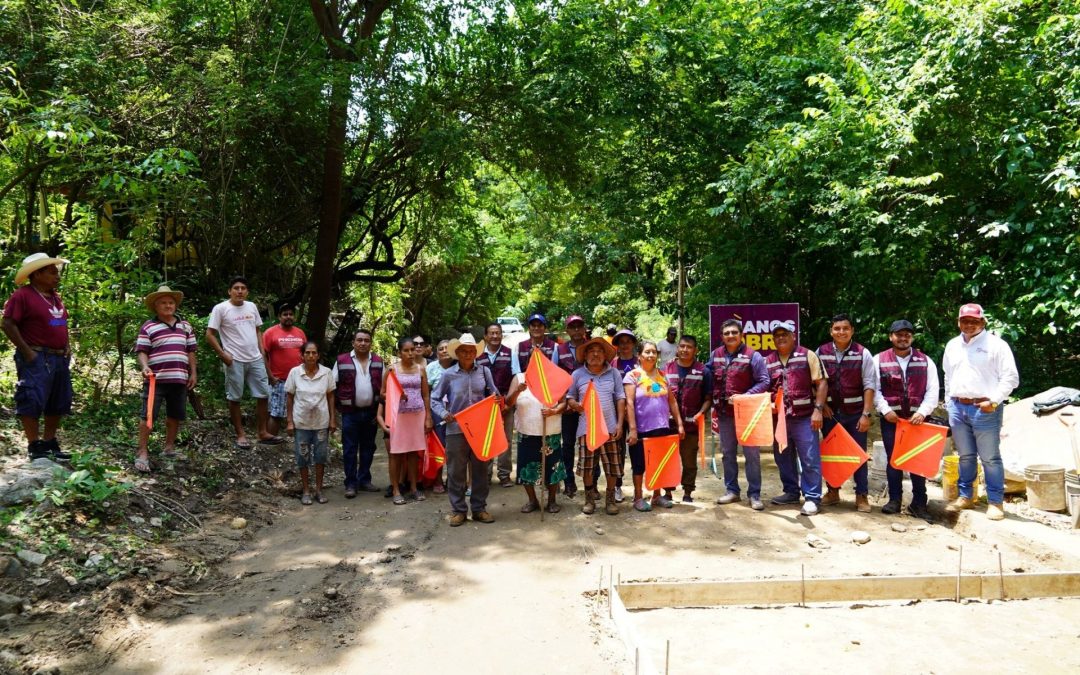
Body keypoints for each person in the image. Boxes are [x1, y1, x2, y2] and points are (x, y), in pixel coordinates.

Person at [942, 303, 1019, 521]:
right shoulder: (952, 345)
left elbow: (1011, 378)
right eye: (965, 320)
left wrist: (993, 401)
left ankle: (995, 502)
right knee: (965, 456)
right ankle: (966, 496)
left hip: (985, 407)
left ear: (983, 322)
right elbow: (948, 375)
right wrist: (949, 401)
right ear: (958, 322)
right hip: (957, 406)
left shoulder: (997, 345)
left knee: (990, 457)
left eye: (974, 321)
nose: (969, 324)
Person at [2, 253, 74, 461]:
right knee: (31, 397)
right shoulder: (23, 295)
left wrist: (67, 345)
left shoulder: (55, 297)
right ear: (36, 274)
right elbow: (7, 323)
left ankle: (50, 442)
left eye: (57, 272)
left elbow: (61, 324)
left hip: (59, 358)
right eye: (52, 272)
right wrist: (27, 352)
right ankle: (34, 445)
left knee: (58, 399)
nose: (57, 276)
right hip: (36, 356)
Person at [430, 333, 501, 526]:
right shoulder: (448, 374)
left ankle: (479, 508)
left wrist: (496, 399)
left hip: (480, 429)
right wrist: (444, 414)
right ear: (458, 353)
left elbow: (494, 393)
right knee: (455, 471)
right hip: (455, 429)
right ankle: (458, 510)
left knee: (480, 470)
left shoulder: (484, 372)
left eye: (472, 351)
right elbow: (434, 398)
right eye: (464, 351)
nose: (468, 354)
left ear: (476, 353)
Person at [874, 320, 940, 520]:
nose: (903, 338)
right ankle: (894, 500)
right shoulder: (879, 360)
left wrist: (922, 412)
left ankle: (919, 503)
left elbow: (933, 390)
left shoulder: (925, 361)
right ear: (891, 336)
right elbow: (874, 389)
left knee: (917, 461)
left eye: (907, 335)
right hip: (892, 420)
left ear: (911, 337)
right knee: (894, 459)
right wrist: (885, 411)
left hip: (917, 421)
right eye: (899, 334)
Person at [206, 277, 280, 448]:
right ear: (229, 291)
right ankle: (240, 434)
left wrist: (261, 351)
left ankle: (262, 432)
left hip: (255, 358)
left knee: (263, 395)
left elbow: (257, 330)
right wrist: (223, 354)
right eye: (236, 288)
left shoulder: (251, 306)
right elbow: (209, 334)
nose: (240, 291)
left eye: (243, 288)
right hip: (235, 360)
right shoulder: (221, 309)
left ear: (247, 291)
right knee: (235, 398)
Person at [134, 286, 198, 472]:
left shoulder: (185, 326)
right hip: (156, 380)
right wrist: (145, 366)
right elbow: (142, 351)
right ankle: (142, 451)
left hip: (179, 378)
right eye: (163, 302)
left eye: (171, 302)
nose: (168, 305)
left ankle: (169, 448)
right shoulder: (148, 326)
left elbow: (191, 351)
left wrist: (193, 373)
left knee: (174, 414)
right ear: (156, 306)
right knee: (148, 415)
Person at [816, 313, 877, 512]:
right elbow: (814, 382)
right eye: (837, 328)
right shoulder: (821, 352)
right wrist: (822, 404)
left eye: (845, 328)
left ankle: (861, 495)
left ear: (852, 330)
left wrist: (866, 414)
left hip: (855, 414)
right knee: (832, 454)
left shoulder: (863, 353)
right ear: (831, 331)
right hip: (830, 414)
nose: (841, 332)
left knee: (858, 455)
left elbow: (869, 385)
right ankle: (833, 491)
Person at [766, 325, 827, 515]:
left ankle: (812, 497)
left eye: (785, 335)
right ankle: (791, 492)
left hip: (804, 417)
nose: (781, 338)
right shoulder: (768, 361)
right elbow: (763, 387)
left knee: (809, 458)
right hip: (779, 419)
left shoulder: (807, 355)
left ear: (794, 337)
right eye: (777, 336)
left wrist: (818, 410)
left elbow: (822, 382)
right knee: (782, 456)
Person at [710, 319, 770, 510]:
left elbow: (764, 381)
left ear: (741, 334)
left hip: (748, 414)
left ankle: (754, 494)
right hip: (724, 413)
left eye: (734, 332)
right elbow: (707, 375)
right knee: (727, 453)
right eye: (726, 333)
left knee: (751, 454)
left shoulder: (753, 356)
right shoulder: (716, 355)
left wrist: (744, 397)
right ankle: (732, 491)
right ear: (722, 337)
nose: (730, 336)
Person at [566, 337, 626, 516]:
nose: (595, 354)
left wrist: (619, 424)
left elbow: (620, 398)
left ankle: (610, 499)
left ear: (605, 355)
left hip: (610, 427)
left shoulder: (614, 373)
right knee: (587, 466)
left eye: (599, 351)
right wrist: (573, 404)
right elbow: (569, 397)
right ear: (584, 355)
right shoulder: (577, 375)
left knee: (612, 466)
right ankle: (589, 499)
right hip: (587, 428)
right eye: (591, 351)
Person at [624, 341, 684, 511]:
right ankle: (637, 497)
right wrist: (633, 429)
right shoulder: (632, 376)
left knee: (659, 463)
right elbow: (629, 402)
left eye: (653, 352)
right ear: (639, 356)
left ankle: (657, 496)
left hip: (662, 427)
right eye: (647, 352)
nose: (651, 355)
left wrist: (679, 424)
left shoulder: (663, 375)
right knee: (639, 465)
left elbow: (672, 401)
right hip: (642, 429)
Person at [377, 337, 434, 505]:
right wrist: (396, 394)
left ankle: (414, 488)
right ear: (399, 352)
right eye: (406, 350)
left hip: (417, 415)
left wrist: (428, 416)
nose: (410, 353)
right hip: (398, 417)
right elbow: (382, 393)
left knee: (413, 453)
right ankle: (396, 489)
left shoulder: (421, 369)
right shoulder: (391, 370)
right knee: (396, 454)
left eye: (412, 350)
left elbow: (425, 394)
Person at [506, 370, 567, 513]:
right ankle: (532, 500)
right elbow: (508, 402)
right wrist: (517, 390)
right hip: (527, 431)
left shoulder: (554, 376)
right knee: (526, 467)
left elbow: (564, 403)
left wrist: (554, 410)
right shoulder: (519, 378)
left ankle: (552, 501)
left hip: (550, 431)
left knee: (553, 466)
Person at [333, 329, 385, 497]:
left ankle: (364, 480)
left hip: (371, 412)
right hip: (350, 413)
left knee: (368, 447)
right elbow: (332, 386)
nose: (363, 343)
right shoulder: (341, 360)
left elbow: (385, 388)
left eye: (366, 340)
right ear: (353, 342)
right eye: (360, 340)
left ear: (371, 343)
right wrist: (335, 411)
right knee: (349, 449)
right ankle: (350, 483)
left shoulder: (378, 361)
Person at [285, 341, 336, 505]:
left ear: (318, 355)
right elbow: (290, 397)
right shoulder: (295, 373)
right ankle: (306, 490)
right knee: (302, 457)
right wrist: (289, 422)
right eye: (307, 353)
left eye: (314, 353)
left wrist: (333, 419)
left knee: (320, 457)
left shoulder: (326, 373)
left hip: (321, 422)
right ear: (302, 355)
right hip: (301, 423)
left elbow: (330, 396)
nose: (311, 356)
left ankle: (319, 490)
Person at [663, 335, 712, 503]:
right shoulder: (667, 369)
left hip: (691, 425)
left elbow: (708, 398)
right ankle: (667, 492)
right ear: (677, 348)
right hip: (668, 425)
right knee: (668, 459)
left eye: (689, 347)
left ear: (695, 350)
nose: (685, 350)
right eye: (682, 346)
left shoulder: (703, 371)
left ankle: (688, 492)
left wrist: (701, 413)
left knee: (689, 461)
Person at [554, 315, 590, 498]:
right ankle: (568, 482)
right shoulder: (559, 350)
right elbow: (554, 377)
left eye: (579, 326)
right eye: (572, 327)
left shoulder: (592, 346)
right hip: (567, 407)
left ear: (584, 328)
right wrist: (562, 401)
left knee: (591, 444)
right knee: (567, 444)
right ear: (567, 330)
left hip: (588, 406)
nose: (576, 330)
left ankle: (591, 484)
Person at [479, 323, 515, 488]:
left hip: (506, 403)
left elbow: (516, 377)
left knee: (506, 439)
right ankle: (485, 475)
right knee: (487, 440)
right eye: (491, 333)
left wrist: (508, 402)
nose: (495, 336)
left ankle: (504, 475)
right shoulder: (478, 355)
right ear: (485, 336)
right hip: (484, 405)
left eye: (498, 333)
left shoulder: (509, 353)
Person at [262, 304, 306, 437]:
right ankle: (270, 440)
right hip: (279, 380)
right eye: (285, 314)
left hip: (299, 379)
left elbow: (307, 354)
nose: (288, 317)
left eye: (291, 314)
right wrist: (270, 376)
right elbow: (263, 355)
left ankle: (298, 442)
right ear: (279, 317)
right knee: (276, 413)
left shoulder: (300, 333)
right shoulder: (270, 333)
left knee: (299, 411)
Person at [610, 329, 639, 503]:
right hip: (617, 414)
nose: (625, 345)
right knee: (617, 450)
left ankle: (639, 488)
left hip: (638, 414)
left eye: (628, 341)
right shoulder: (612, 364)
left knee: (637, 449)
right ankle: (617, 486)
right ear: (617, 346)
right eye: (621, 342)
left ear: (634, 344)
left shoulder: (640, 363)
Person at [425, 339, 454, 493]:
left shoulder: (458, 367)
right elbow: (426, 393)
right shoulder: (431, 368)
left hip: (455, 412)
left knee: (454, 447)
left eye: (447, 348)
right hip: (437, 412)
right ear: (437, 353)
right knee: (438, 446)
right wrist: (428, 415)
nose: (444, 351)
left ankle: (452, 480)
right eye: (441, 348)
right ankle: (437, 480)